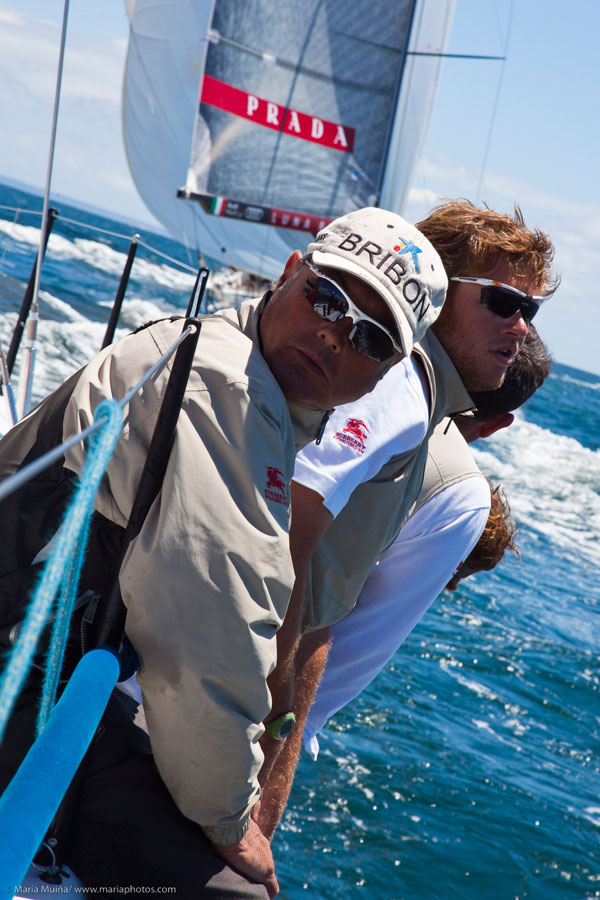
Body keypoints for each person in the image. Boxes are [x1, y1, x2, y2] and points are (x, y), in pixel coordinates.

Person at [0, 208, 447, 897]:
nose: (332, 334)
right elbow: (206, 648)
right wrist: (227, 818)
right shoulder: (230, 397)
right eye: (326, 297)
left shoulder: (236, 365)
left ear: (386, 371)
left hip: (48, 678)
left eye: (369, 336)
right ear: (291, 272)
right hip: (20, 683)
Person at [257, 202, 557, 836]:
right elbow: (290, 527)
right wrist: (277, 722)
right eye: (503, 303)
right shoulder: (402, 388)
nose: (521, 328)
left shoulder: (413, 399)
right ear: (437, 294)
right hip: (205, 700)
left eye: (530, 311)